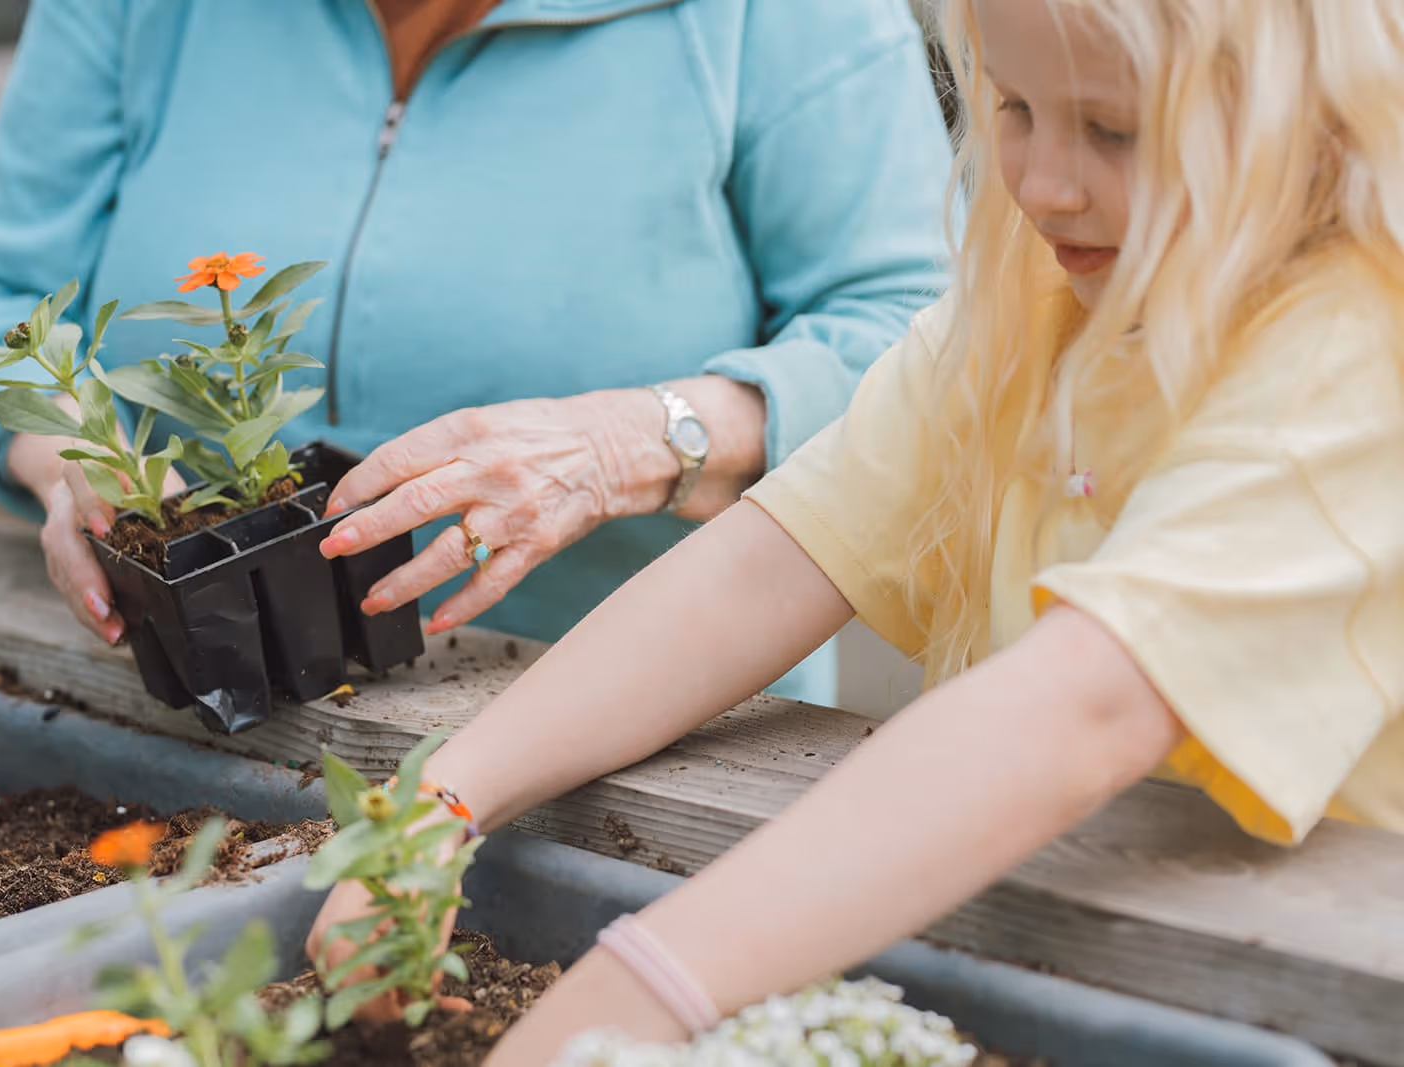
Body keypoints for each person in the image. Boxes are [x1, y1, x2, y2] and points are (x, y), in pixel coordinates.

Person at [306, 0, 1404, 1060]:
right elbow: (773, 559)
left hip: (1305, 993)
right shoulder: (1038, 295)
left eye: (1115, 129)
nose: (1043, 184)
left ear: (1316, 117)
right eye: (1013, 105)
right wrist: (440, 801)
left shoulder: (1359, 357)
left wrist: (631, 996)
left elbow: (1084, 702)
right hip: (1032, 946)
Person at [0, 0, 953, 705]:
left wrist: (634, 441)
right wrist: (74, 456)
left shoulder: (777, 20)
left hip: (637, 730)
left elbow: (919, 336)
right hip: (176, 696)